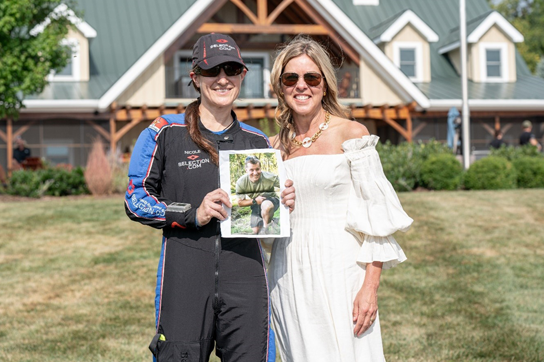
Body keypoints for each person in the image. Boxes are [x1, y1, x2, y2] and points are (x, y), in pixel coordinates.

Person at [124, 33, 295, 362]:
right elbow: (135, 198)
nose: (222, 78)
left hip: (246, 283)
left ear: (242, 76)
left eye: (231, 69)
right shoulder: (164, 133)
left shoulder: (257, 141)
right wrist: (192, 213)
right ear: (195, 77)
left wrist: (283, 200)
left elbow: (266, 218)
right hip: (184, 281)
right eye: (212, 70)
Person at [267, 35, 413, 362]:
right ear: (280, 86)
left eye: (311, 78)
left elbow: (376, 219)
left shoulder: (352, 135)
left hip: (342, 269)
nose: (301, 86)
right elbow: (261, 225)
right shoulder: (272, 147)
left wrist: (369, 287)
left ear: (325, 85)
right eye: (291, 78)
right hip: (288, 271)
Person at [236, 156, 280, 234]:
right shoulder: (241, 182)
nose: (255, 173)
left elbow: (284, 186)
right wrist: (254, 201)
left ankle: (265, 228)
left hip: (271, 200)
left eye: (257, 169)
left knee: (266, 205)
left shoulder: (270, 177)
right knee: (256, 231)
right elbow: (240, 203)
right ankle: (272, 221)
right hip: (256, 203)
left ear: (260, 168)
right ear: (246, 170)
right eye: (251, 170)